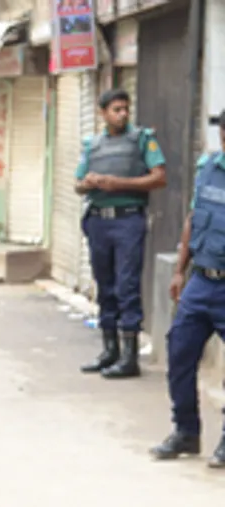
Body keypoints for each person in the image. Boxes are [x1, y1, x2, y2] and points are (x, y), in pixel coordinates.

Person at [76, 87, 167, 379]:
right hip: (99, 220)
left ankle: (129, 357)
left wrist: (120, 183)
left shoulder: (142, 139)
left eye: (125, 108)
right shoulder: (92, 144)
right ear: (103, 113)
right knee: (105, 285)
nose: (123, 114)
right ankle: (109, 349)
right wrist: (90, 182)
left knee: (126, 285)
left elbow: (159, 177)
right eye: (116, 110)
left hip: (128, 220)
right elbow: (77, 184)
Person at [151, 111, 225, 466]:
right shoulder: (208, 168)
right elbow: (193, 220)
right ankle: (186, 431)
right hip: (201, 282)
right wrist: (179, 271)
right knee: (179, 352)